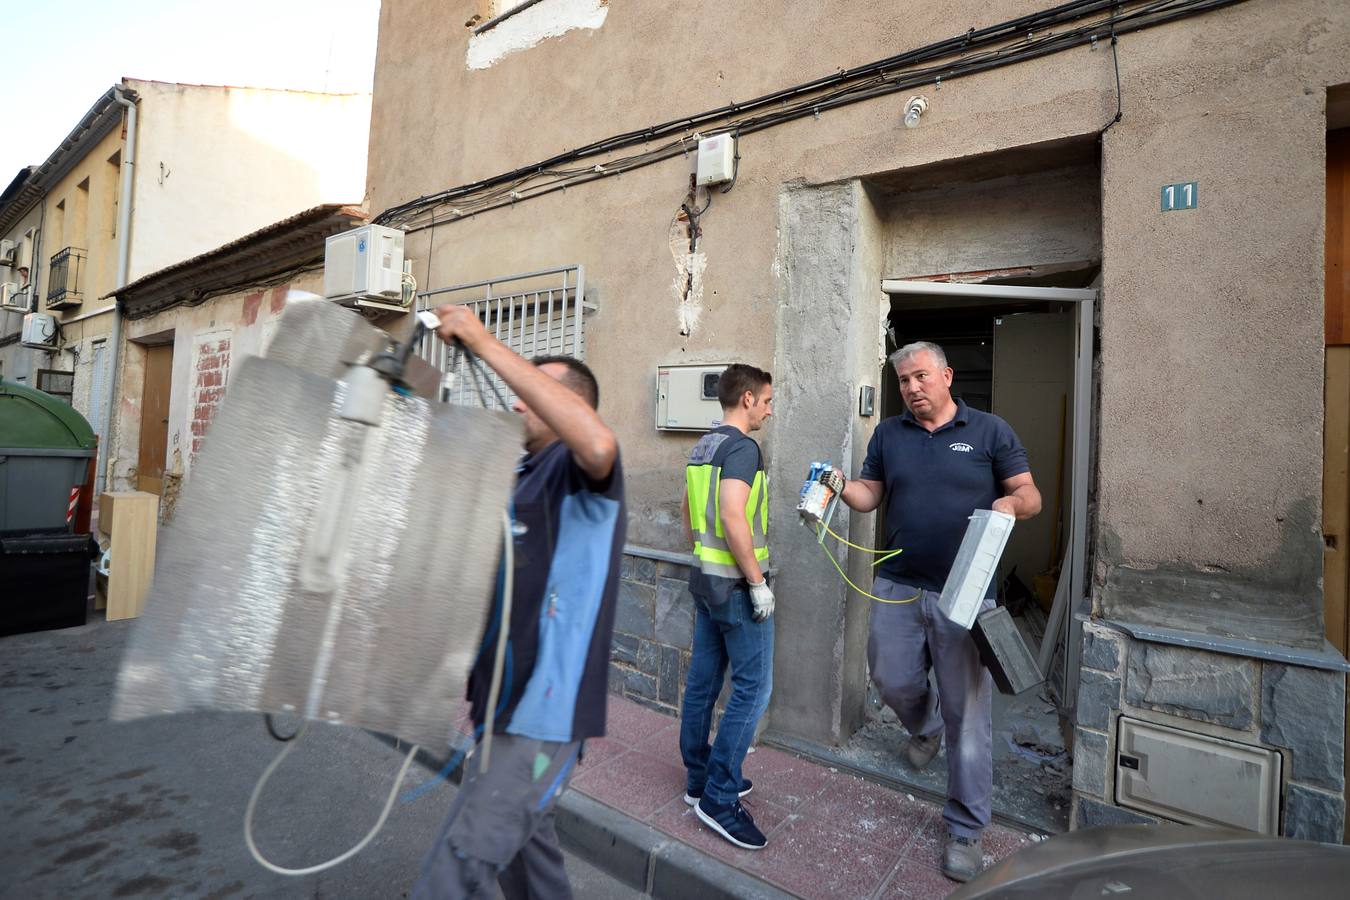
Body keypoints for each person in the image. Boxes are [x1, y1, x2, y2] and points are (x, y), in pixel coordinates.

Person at [413, 304, 625, 900]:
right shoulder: (524, 473)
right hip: (499, 709)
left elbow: (598, 442)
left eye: (530, 394)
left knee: (455, 873)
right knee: (529, 863)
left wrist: (482, 341)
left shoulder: (581, 471)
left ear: (568, 405)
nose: (515, 401)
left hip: (543, 718)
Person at [830, 341, 1040, 883]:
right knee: (890, 677)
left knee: (968, 712)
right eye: (903, 381)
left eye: (921, 376)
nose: (912, 388)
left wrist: (1010, 502)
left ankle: (966, 828)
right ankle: (925, 727)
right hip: (898, 583)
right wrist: (839, 486)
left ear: (946, 376)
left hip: (966, 590)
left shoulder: (990, 431)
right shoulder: (888, 435)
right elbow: (869, 495)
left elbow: (1030, 494)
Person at [677, 363, 775, 850]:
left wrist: (704, 556)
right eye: (767, 401)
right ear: (747, 399)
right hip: (737, 587)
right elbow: (733, 514)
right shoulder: (743, 448)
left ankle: (699, 778)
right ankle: (718, 797)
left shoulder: (704, 446)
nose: (769, 411)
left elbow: (687, 513)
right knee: (753, 689)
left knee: (703, 682)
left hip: (706, 582)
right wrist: (757, 582)